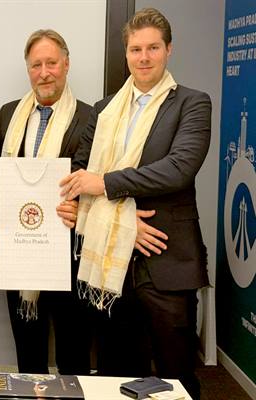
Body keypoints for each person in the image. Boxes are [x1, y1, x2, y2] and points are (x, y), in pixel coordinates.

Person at [60, 8, 210, 399]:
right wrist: (121, 220)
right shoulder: (104, 108)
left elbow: (177, 169)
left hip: (167, 261)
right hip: (112, 262)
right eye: (135, 49)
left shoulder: (193, 104)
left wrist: (106, 183)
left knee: (176, 379)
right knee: (116, 376)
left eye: (152, 48)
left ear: (169, 49)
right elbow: (80, 170)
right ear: (126, 53)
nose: (143, 57)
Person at [0, 29, 92, 375]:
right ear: (28, 69)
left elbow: (97, 186)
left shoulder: (90, 117)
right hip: (19, 255)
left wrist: (80, 209)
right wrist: (1, 238)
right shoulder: (8, 115)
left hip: (69, 260)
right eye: (36, 65)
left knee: (73, 358)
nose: (44, 73)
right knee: (28, 358)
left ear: (66, 64)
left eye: (51, 63)